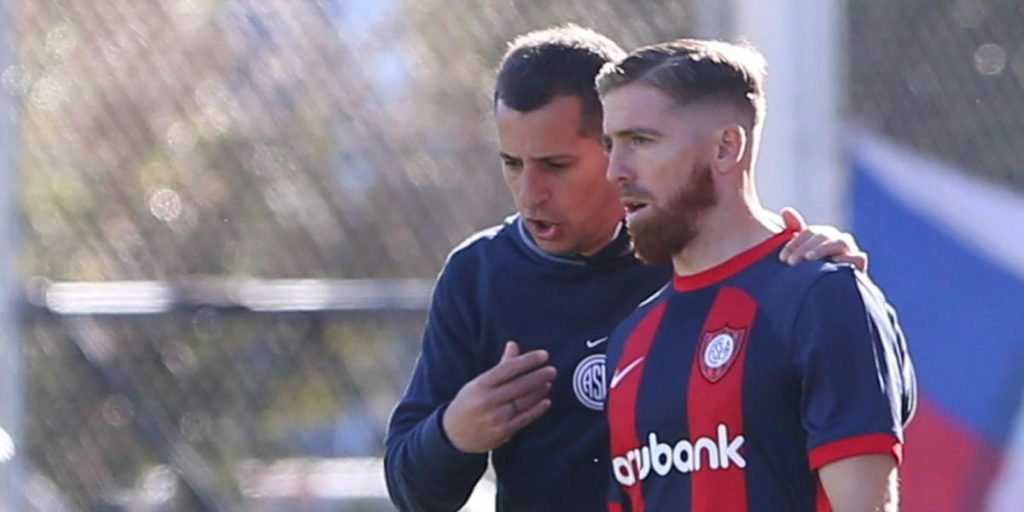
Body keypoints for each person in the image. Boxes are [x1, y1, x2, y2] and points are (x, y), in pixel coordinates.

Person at [384, 25, 867, 512]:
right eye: (512, 163)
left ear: (617, 146)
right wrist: (454, 433)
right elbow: (413, 491)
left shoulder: (703, 263)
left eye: (556, 165)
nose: (530, 192)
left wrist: (822, 279)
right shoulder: (480, 276)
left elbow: (858, 418)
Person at [598, 38, 916, 511]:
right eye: (611, 144)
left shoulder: (821, 299)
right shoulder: (630, 339)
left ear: (728, 147)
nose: (614, 170)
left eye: (641, 141)